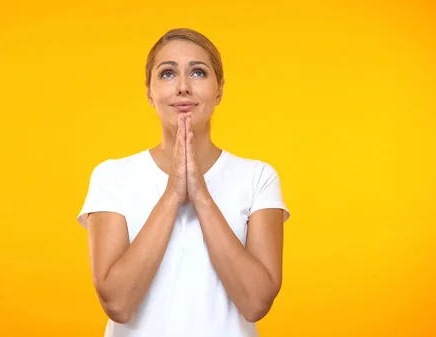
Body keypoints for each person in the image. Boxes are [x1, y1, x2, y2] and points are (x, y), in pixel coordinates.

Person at [76, 28, 291, 337]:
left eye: (198, 72)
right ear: (149, 93)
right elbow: (118, 304)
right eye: (167, 74)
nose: (182, 87)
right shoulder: (111, 177)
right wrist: (172, 195)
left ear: (219, 90)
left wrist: (201, 195)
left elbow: (256, 302)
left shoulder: (258, 177)